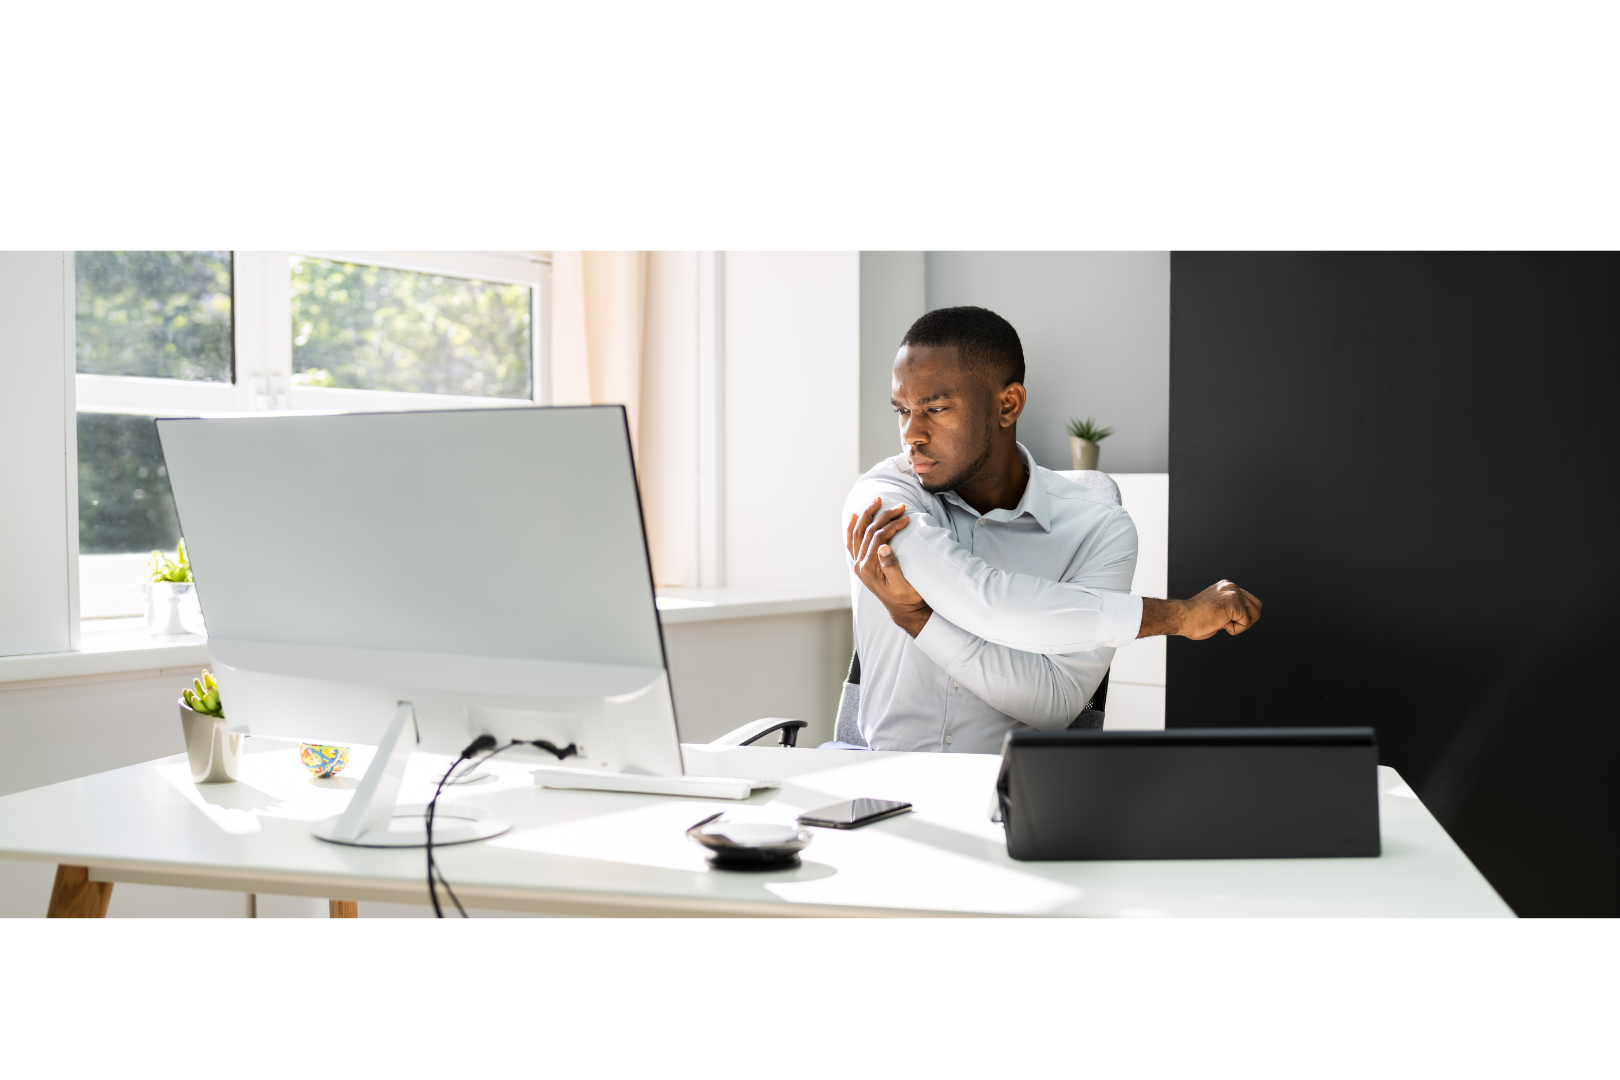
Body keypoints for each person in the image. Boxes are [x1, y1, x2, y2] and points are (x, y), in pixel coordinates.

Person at [842, 305, 1261, 753]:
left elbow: (1055, 704)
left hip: (1004, 794)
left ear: (1009, 404)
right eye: (902, 410)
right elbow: (986, 604)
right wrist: (1179, 616)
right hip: (878, 780)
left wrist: (917, 618)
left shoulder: (1099, 529)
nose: (911, 434)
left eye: (936, 408)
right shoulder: (883, 495)